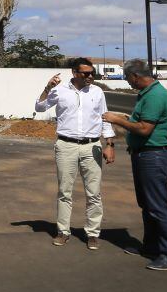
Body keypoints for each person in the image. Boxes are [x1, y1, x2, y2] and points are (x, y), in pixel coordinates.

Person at [103, 59, 167, 271]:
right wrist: (128, 119)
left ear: (135, 76)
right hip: (146, 155)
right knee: (148, 205)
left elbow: (145, 129)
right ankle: (153, 247)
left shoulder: (155, 96)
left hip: (153, 156)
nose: (127, 82)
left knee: (158, 206)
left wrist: (117, 120)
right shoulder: (148, 94)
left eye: (127, 77)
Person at [35, 57, 115, 250]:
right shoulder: (60, 91)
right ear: (74, 73)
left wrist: (109, 144)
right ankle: (63, 231)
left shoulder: (97, 92)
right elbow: (39, 107)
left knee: (94, 193)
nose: (90, 76)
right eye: (86, 73)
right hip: (66, 146)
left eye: (92, 73)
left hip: (92, 146)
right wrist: (48, 88)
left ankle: (93, 234)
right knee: (64, 192)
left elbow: (105, 118)